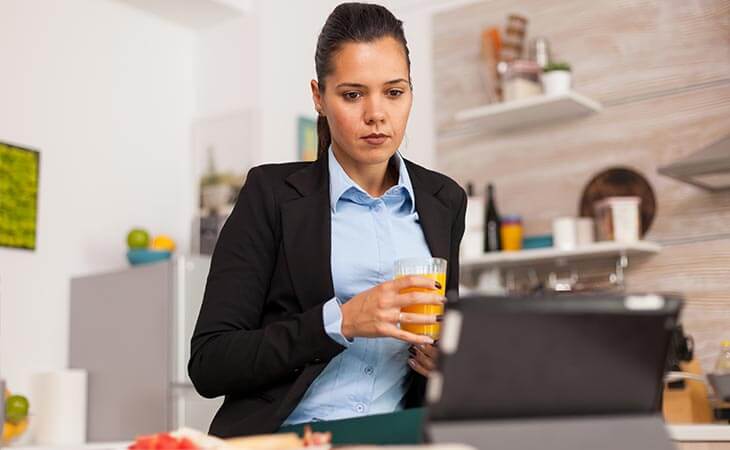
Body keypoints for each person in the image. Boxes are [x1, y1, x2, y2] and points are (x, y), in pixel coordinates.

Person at [188, 2, 466, 438]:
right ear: (319, 97)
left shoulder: (444, 199)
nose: (376, 114)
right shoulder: (270, 195)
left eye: (394, 92)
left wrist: (445, 361)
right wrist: (340, 321)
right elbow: (210, 362)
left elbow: (438, 343)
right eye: (352, 95)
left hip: (398, 436)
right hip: (289, 438)